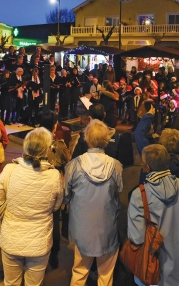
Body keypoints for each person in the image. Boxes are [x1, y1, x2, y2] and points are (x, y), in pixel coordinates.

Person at [0, 127, 63, 286]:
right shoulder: (54, 176)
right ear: (46, 149)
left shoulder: (10, 170)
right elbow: (56, 206)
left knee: (11, 282)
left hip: (11, 238)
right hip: (39, 241)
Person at [63, 120, 123, 286]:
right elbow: (117, 194)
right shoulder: (116, 166)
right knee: (106, 276)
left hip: (82, 228)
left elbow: (66, 196)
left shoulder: (74, 165)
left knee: (79, 272)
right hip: (107, 227)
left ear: (86, 138)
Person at [128, 144, 179, 286]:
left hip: (150, 265)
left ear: (147, 167)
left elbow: (136, 236)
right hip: (175, 262)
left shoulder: (140, 194)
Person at [39, 109, 71, 269]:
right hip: (53, 188)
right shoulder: (58, 145)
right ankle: (53, 255)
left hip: (36, 186)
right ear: (54, 125)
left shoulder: (33, 142)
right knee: (53, 221)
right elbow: (68, 162)